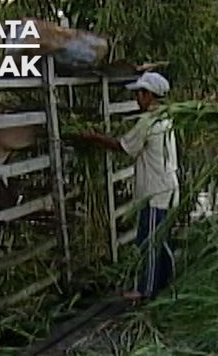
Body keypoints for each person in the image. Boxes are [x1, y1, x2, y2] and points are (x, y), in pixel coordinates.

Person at [63, 71, 179, 302]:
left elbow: (123, 146)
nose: (137, 98)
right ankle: (166, 282)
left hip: (156, 193)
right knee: (161, 240)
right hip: (168, 188)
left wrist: (93, 137)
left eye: (139, 93)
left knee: (149, 244)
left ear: (149, 95)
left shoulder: (148, 121)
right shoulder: (166, 117)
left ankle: (146, 291)